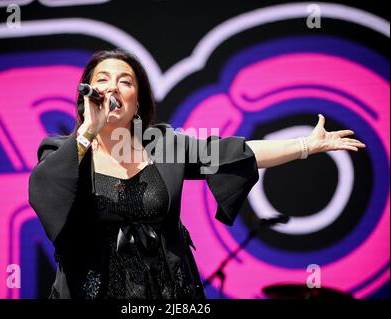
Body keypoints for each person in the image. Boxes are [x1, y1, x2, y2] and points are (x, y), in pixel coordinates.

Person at [28, 48, 366, 299]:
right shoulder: (63, 151)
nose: (113, 88)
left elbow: (236, 154)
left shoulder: (161, 145)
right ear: (87, 93)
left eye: (125, 82)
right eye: (102, 80)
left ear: (136, 101)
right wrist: (89, 129)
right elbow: (48, 190)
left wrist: (307, 144)